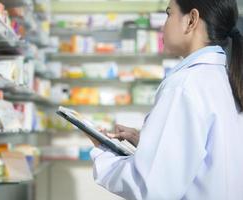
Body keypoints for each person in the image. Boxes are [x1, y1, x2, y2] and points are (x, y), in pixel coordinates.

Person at [87, 0, 243, 199]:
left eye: (169, 14)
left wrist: (104, 153)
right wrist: (147, 142)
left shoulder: (184, 85)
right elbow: (211, 154)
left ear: (191, 20)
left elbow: (149, 187)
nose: (164, 25)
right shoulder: (223, 78)